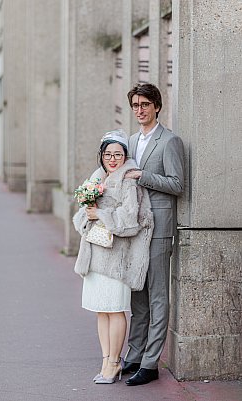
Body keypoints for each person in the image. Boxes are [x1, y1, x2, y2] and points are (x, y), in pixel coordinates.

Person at [73, 130, 154, 384]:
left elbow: (131, 221)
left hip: (117, 258)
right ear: (101, 155)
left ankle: (115, 362)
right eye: (108, 154)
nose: (112, 159)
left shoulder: (129, 180)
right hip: (95, 255)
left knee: (115, 310)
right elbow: (80, 218)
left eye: (118, 154)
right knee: (101, 310)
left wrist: (102, 216)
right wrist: (88, 213)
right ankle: (105, 359)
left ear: (125, 155)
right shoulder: (97, 179)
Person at [122, 83, 185, 386]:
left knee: (158, 295)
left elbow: (177, 184)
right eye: (135, 105)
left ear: (157, 106)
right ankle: (134, 355)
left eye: (145, 104)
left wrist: (143, 176)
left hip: (159, 228)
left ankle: (150, 363)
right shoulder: (131, 141)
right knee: (138, 296)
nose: (140, 110)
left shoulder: (170, 141)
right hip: (135, 228)